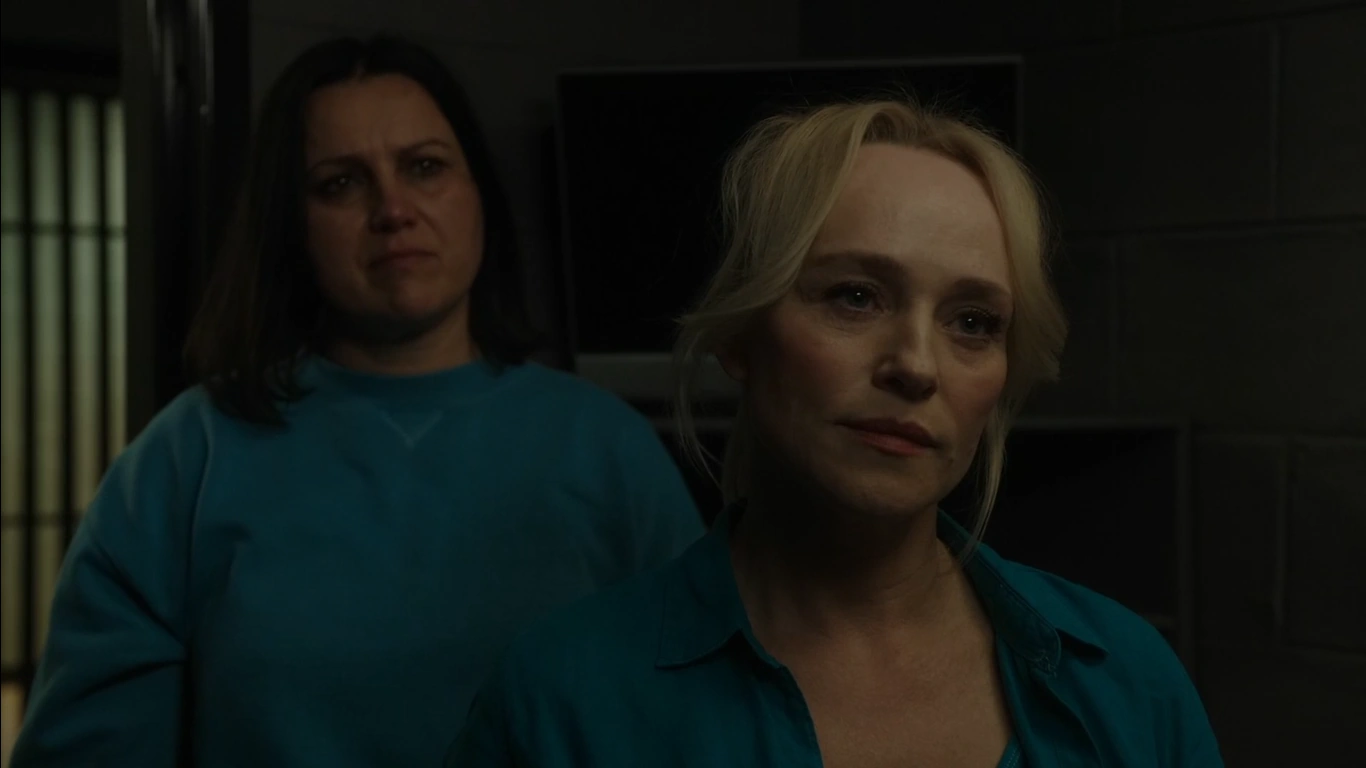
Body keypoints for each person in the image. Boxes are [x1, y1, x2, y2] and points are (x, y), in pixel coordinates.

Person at [447, 99, 1224, 767]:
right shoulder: (561, 698)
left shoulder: (1127, 683)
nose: (916, 365)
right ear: (743, 334)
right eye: (856, 297)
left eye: (972, 322)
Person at [11, 35, 702, 768]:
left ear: (478, 194)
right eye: (340, 183)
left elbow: (700, 721)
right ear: (291, 223)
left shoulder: (607, 449)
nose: (393, 209)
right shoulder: (187, 460)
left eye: (425, 167)